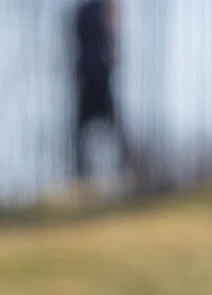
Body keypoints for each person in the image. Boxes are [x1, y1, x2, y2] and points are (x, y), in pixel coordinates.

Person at [72, 0, 132, 180]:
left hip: (92, 75)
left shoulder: (86, 10)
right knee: (96, 126)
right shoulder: (96, 9)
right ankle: (84, 172)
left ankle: (122, 167)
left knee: (100, 126)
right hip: (94, 75)